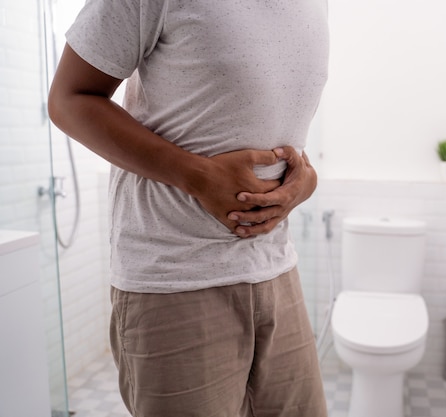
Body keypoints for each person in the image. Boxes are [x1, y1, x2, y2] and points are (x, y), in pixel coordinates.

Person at [48, 0, 329, 416]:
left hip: (278, 272)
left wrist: (305, 179)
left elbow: (263, 115)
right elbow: (69, 99)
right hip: (176, 280)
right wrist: (195, 175)